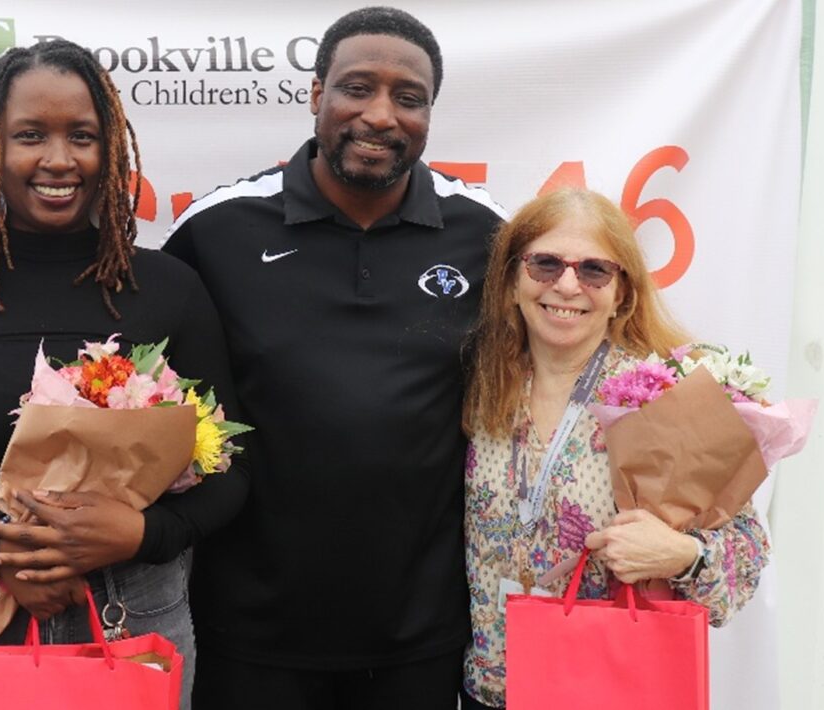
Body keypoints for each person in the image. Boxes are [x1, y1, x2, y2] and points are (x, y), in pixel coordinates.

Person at [0, 39, 247, 710]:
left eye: (82, 136)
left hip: (133, 612)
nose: (59, 160)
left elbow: (234, 472)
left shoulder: (171, 289)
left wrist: (145, 534)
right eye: (30, 135)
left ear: (109, 149)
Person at [160, 7, 506, 709]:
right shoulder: (217, 230)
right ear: (317, 95)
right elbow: (150, 407)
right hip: (250, 633)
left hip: (423, 635)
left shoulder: (488, 236)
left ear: (430, 114)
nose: (380, 115)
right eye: (356, 88)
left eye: (408, 98)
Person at [459, 188, 770, 710]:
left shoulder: (659, 396)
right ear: (513, 281)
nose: (566, 285)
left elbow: (749, 553)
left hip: (608, 690)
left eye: (594, 271)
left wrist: (684, 555)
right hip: (492, 690)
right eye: (545, 264)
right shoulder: (481, 385)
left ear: (621, 294)